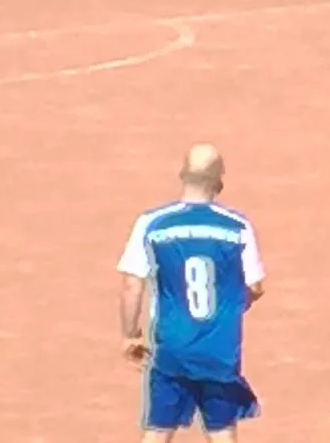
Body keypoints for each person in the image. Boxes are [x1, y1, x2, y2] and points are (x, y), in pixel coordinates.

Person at [118, 144, 266, 441]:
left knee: (157, 432)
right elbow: (255, 287)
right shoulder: (238, 227)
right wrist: (230, 307)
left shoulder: (152, 224)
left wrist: (131, 334)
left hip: (172, 348)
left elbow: (132, 284)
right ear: (220, 181)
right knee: (222, 432)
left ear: (182, 174)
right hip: (219, 351)